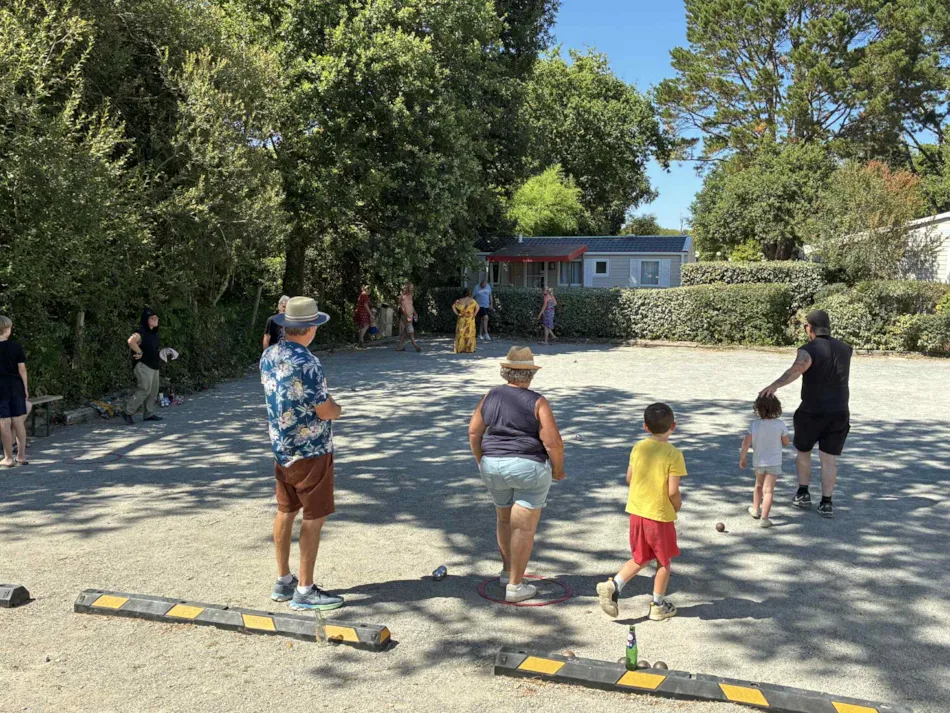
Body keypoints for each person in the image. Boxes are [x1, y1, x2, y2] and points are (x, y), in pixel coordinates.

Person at [260, 296, 345, 612]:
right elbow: (325, 409)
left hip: (282, 446)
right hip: (312, 449)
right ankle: (306, 589)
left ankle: (283, 580)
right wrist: (338, 409)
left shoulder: (270, 355)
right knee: (314, 515)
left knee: (285, 509)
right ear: (310, 327)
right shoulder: (308, 362)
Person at [468, 347, 566, 603]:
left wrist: (482, 460)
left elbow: (474, 432)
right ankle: (515, 585)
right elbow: (553, 442)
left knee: (503, 518)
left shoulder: (489, 395)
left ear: (505, 372)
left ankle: (506, 571)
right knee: (523, 527)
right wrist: (558, 470)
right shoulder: (538, 401)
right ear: (530, 375)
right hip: (527, 466)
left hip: (492, 465)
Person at [596, 403, 686, 621]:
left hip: (637, 512)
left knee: (640, 557)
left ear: (645, 427)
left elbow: (629, 478)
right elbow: (672, 490)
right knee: (663, 561)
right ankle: (657, 605)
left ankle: (614, 584)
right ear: (673, 426)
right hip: (659, 515)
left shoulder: (638, 447)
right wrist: (677, 504)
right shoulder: (674, 454)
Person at [760, 309, 852, 519]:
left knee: (804, 452)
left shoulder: (808, 350)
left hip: (811, 411)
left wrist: (773, 386)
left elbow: (795, 370)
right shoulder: (846, 348)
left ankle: (803, 493)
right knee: (829, 458)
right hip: (839, 411)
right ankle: (827, 502)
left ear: (809, 327)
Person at [739, 394, 790, 528]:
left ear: (758, 409)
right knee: (769, 491)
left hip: (758, 462)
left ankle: (755, 509)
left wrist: (743, 458)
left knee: (758, 485)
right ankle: (764, 518)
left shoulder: (754, 425)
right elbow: (786, 442)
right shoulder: (780, 424)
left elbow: (745, 443)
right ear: (777, 408)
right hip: (774, 462)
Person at [123, 308, 165, 424]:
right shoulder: (140, 332)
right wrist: (140, 352)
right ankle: (127, 412)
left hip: (154, 365)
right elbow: (131, 341)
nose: (155, 320)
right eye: (152, 318)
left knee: (153, 391)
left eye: (156, 318)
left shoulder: (154, 334)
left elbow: (152, 349)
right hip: (143, 365)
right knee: (145, 389)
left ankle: (148, 414)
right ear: (146, 320)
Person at [0, 316, 29, 467]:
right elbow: (22, 369)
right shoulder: (16, 346)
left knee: (4, 422)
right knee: (18, 420)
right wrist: (25, 388)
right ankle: (22, 456)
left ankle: (8, 458)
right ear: (6, 330)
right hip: (15, 386)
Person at [396, 282, 422, 353]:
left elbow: (411, 306)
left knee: (405, 332)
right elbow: (401, 308)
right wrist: (407, 316)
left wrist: (415, 313)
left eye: (413, 288)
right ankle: (416, 346)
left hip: (410, 316)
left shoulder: (410, 296)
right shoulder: (402, 297)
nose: (412, 289)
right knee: (411, 332)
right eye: (411, 288)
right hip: (405, 316)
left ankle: (399, 347)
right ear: (407, 288)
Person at [452, 289, 479, 354]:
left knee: (461, 333)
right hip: (470, 318)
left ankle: (460, 348)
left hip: (461, 318)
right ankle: (469, 349)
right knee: (469, 333)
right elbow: (478, 307)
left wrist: (457, 314)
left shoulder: (459, 300)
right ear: (469, 294)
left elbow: (453, 307)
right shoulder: (472, 300)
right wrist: (474, 314)